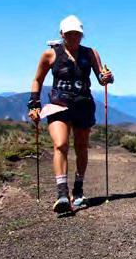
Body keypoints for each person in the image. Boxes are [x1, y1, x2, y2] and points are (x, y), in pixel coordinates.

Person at [27, 15, 114, 213]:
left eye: (77, 34)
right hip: (58, 105)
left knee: (81, 147)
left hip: (83, 105)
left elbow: (101, 78)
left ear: (82, 34)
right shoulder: (50, 55)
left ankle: (78, 190)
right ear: (62, 34)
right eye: (69, 34)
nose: (74, 37)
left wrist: (108, 77)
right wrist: (34, 104)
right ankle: (62, 194)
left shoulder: (90, 53)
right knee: (60, 144)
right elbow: (37, 80)